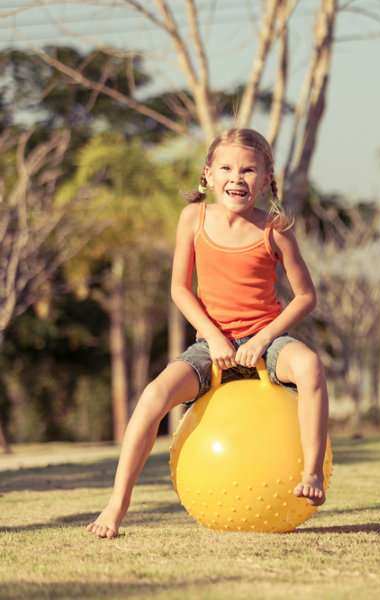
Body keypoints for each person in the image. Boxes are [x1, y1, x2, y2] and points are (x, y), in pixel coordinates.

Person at [87, 128, 329, 539]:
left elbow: (305, 297)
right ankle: (117, 503)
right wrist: (214, 338)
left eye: (249, 170)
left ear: (268, 177)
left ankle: (311, 475)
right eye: (227, 168)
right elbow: (180, 289)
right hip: (209, 343)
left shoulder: (276, 229)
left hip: (263, 342)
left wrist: (261, 340)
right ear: (209, 176)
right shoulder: (193, 218)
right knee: (152, 397)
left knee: (309, 366)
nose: (238, 178)